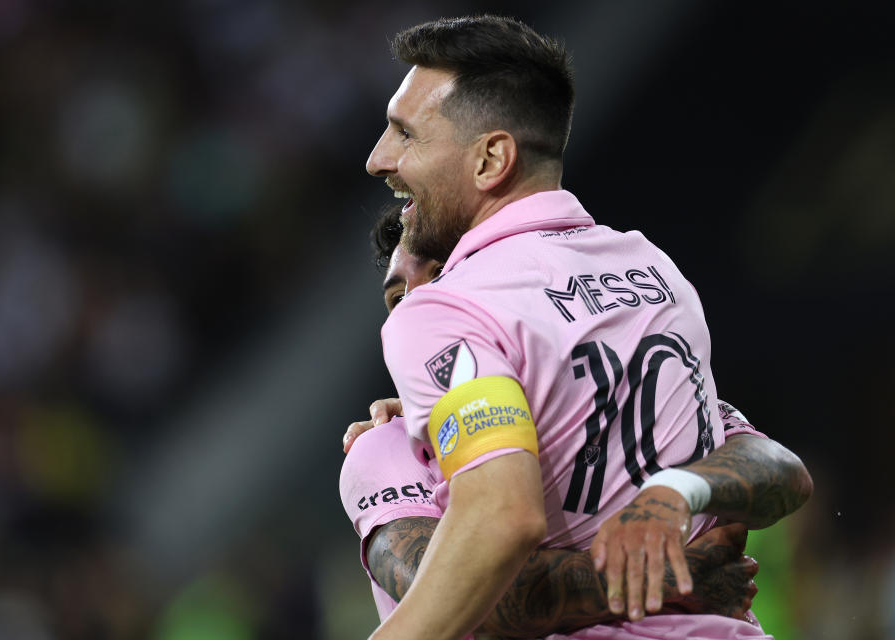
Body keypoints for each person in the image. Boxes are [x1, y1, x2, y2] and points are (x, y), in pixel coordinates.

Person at [361, 16, 811, 640]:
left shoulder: (448, 313)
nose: (377, 158)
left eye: (405, 134)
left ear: (492, 158)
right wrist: (673, 542)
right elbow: (769, 465)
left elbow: (496, 532)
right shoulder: (650, 272)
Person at [340, 210, 809, 638]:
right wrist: (675, 576)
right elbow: (457, 600)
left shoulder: (616, 393)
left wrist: (680, 489)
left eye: (440, 275)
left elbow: (783, 472)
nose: (417, 306)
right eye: (398, 298)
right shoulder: (386, 449)